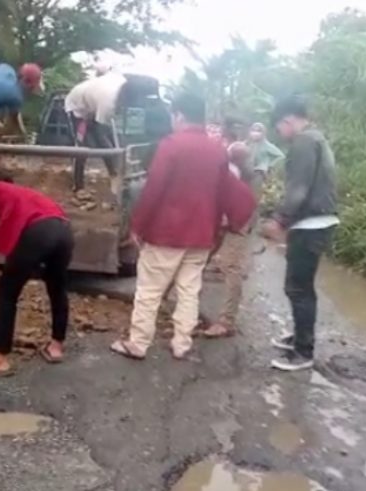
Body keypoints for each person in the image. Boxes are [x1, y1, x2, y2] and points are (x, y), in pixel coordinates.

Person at [111, 93, 257, 361]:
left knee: (149, 290)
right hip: (201, 236)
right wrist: (233, 221)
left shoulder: (171, 145)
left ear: (178, 115)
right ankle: (182, 344)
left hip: (166, 234)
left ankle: (138, 343)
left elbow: (154, 189)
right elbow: (227, 189)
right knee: (189, 291)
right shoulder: (216, 149)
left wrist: (137, 226)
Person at [0, 172, 74, 376]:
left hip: (37, 232)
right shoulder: (20, 193)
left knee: (6, 293)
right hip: (64, 230)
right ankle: (56, 348)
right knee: (57, 287)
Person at [261, 96, 338, 372]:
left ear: (288, 120)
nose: (281, 134)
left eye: (279, 128)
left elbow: (298, 189)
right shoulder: (317, 138)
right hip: (319, 221)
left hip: (310, 224)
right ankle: (300, 337)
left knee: (298, 288)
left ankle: (303, 352)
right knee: (302, 287)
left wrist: (280, 220)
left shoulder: (303, 142)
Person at [202, 140, 255, 338]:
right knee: (200, 258)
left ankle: (226, 322)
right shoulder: (231, 170)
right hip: (230, 215)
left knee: (231, 266)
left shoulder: (225, 172)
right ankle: (177, 303)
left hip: (238, 218)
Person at [64, 72, 127, 189]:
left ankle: (114, 175)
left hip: (92, 104)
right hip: (77, 107)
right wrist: (114, 152)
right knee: (81, 147)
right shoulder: (107, 103)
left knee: (105, 144)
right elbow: (101, 133)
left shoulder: (122, 81)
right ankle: (78, 186)